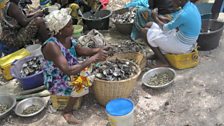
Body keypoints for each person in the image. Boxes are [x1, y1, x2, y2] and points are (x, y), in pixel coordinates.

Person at [42, 8, 108, 124]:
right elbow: (67, 70)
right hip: (57, 79)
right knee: (83, 80)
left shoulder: (67, 38)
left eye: (71, 24)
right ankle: (67, 111)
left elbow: (81, 51)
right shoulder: (51, 45)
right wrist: (94, 58)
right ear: (59, 30)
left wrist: (99, 50)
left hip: (69, 70)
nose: (72, 27)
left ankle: (79, 92)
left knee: (95, 67)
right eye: (69, 26)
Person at [141, 0, 201, 66]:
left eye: (172, 1)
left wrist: (155, 18)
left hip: (182, 46)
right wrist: (160, 17)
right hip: (184, 40)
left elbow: (165, 28)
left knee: (144, 32)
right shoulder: (191, 6)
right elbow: (174, 23)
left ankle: (164, 62)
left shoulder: (183, 14)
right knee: (149, 24)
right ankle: (157, 54)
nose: (171, 4)